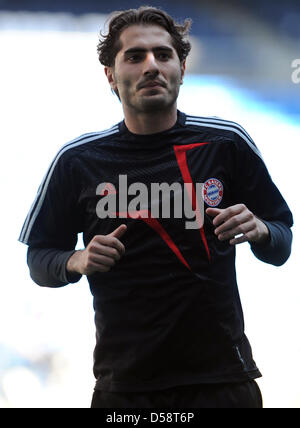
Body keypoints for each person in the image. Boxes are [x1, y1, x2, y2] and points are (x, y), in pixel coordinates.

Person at [19, 6, 293, 408]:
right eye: (135, 56)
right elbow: (38, 260)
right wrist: (77, 260)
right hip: (125, 390)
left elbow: (281, 242)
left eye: (163, 55)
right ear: (110, 75)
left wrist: (262, 230)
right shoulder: (77, 160)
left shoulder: (226, 144)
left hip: (223, 383)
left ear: (181, 67)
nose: (151, 65)